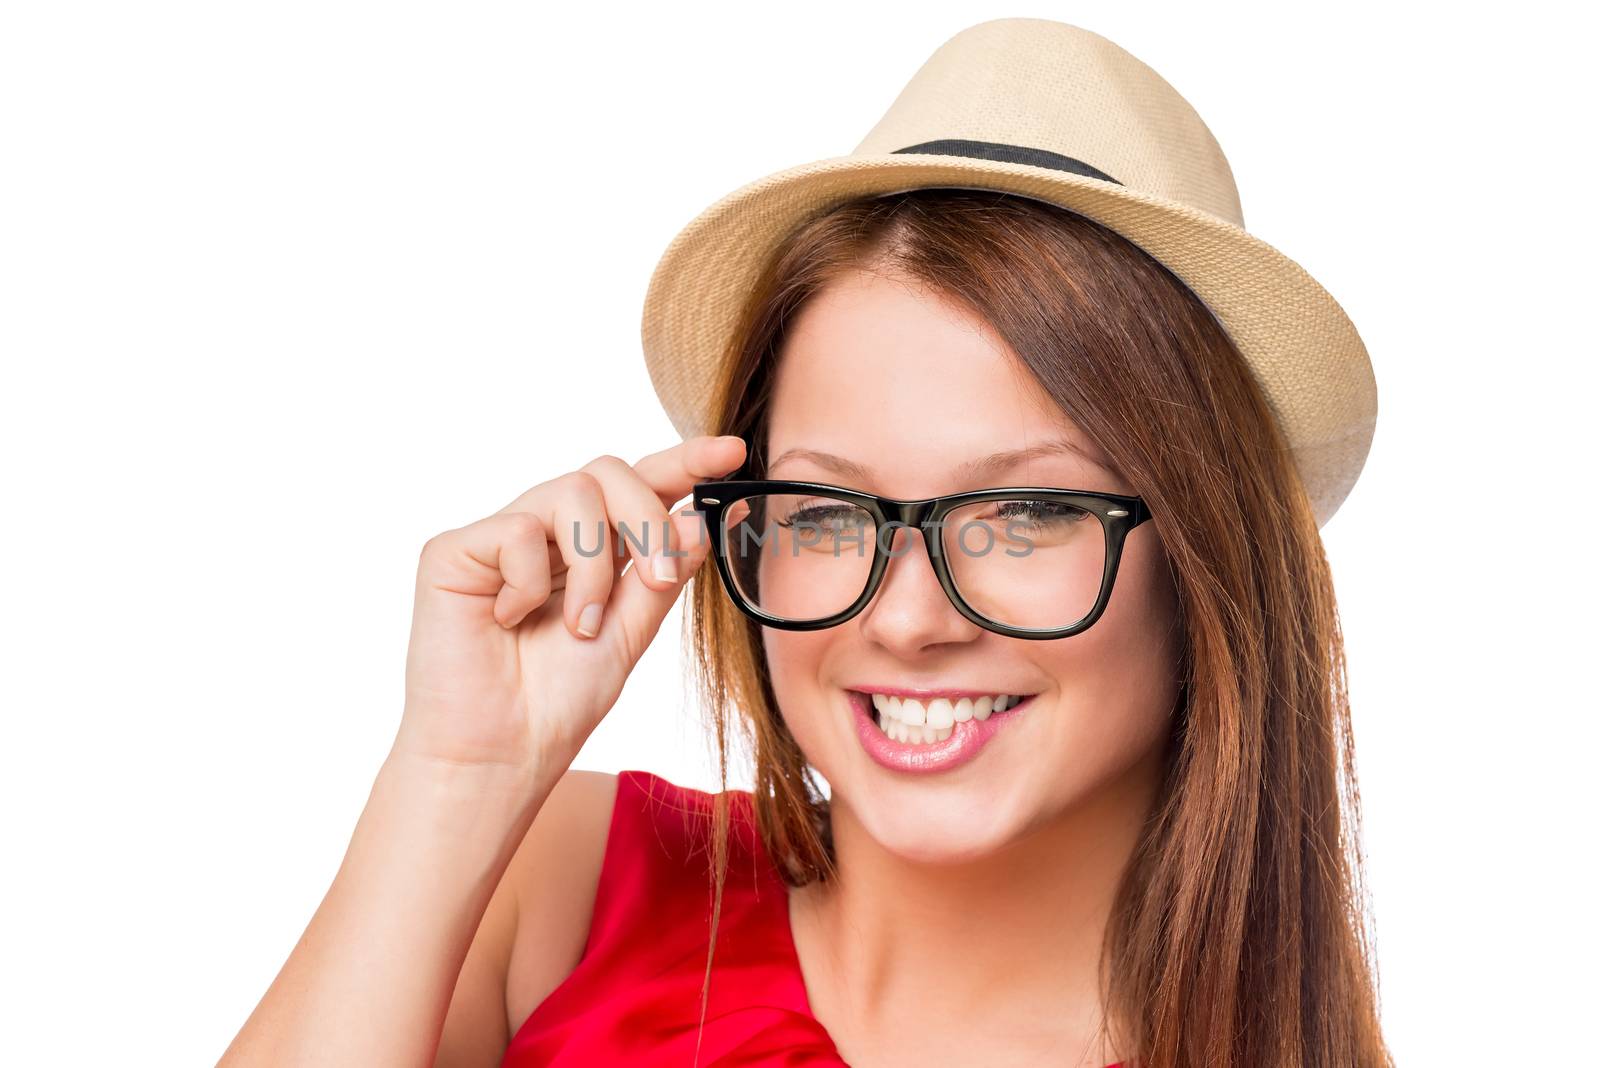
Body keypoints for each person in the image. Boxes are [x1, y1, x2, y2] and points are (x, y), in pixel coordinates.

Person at [220, 18, 1393, 1068]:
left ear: (1205, 566)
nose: (907, 618)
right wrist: (456, 774)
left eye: (1027, 515)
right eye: (831, 515)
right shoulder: (564, 887)